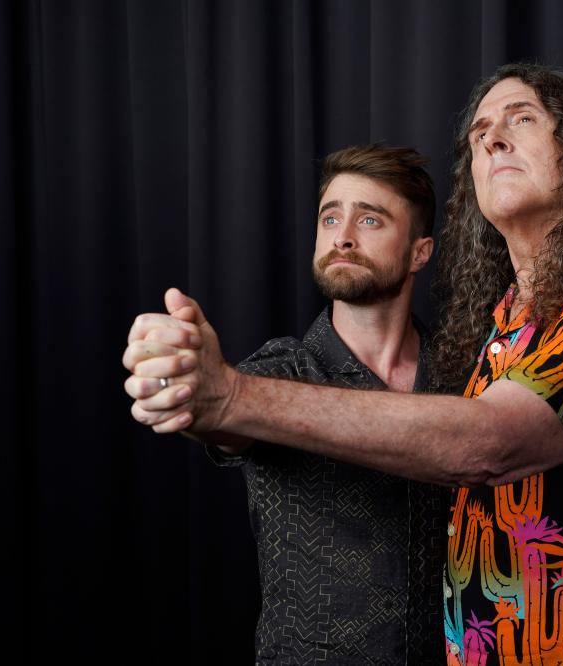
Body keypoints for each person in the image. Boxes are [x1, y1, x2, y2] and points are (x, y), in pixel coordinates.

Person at [125, 63, 563, 665]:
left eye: (522, 119)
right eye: (479, 134)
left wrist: (231, 394)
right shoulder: (489, 338)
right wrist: (189, 384)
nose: (493, 137)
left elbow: (490, 442)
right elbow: (226, 429)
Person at [124, 144, 447, 665]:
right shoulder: (279, 371)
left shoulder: (463, 378)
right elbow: (225, 419)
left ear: (419, 253)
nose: (342, 236)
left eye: (370, 220)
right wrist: (194, 392)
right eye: (330, 218)